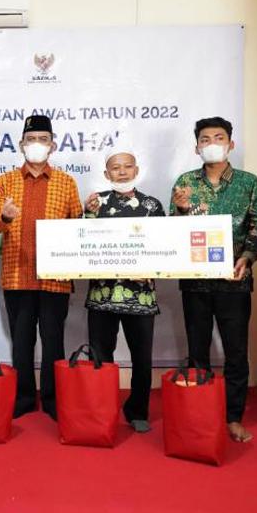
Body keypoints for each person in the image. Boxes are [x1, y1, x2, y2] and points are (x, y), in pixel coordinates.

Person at [169, 116, 257, 443]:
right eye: (205, 139)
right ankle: (201, 415)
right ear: (197, 147)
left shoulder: (248, 183)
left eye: (218, 138)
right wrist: (181, 210)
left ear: (230, 144)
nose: (212, 144)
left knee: (236, 352)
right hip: (194, 282)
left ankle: (233, 417)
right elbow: (172, 232)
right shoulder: (185, 183)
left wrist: (247, 258)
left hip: (234, 282)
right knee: (198, 351)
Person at [0, 115, 83, 420]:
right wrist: (5, 217)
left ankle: (53, 399)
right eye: (31, 140)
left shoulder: (66, 182)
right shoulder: (5, 181)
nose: (37, 145)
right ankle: (24, 397)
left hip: (55, 277)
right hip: (17, 275)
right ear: (21, 145)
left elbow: (77, 225)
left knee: (54, 342)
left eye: (43, 139)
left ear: (52, 145)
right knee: (22, 342)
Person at [84, 150, 165, 433]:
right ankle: (101, 410)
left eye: (127, 166)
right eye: (115, 168)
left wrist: (153, 268)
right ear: (106, 174)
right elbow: (81, 244)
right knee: (99, 357)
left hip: (141, 296)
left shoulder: (152, 205)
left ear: (136, 170)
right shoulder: (96, 202)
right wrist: (88, 215)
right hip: (102, 295)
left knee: (142, 358)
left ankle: (137, 410)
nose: (122, 172)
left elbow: (166, 245)